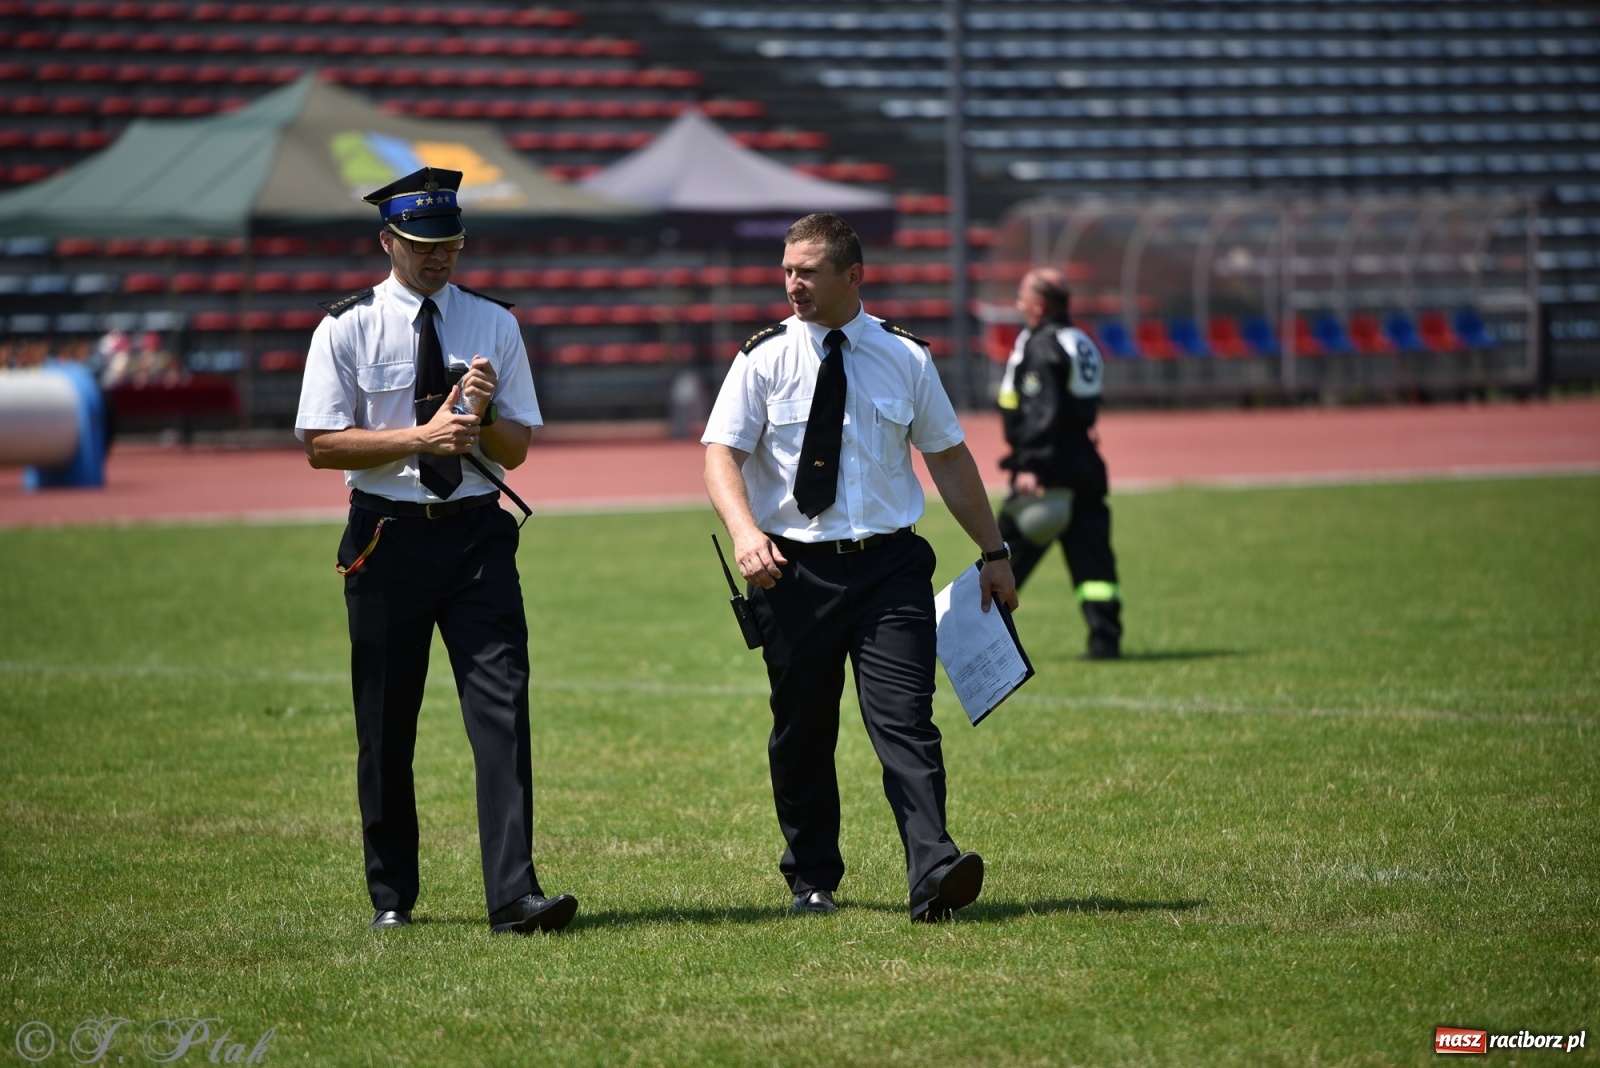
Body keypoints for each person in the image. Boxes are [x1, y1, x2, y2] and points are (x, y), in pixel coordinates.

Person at [702, 213, 1019, 923]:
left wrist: (994, 553)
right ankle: (811, 878)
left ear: (853, 276)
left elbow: (948, 458)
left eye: (808, 271)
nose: (793, 284)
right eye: (787, 270)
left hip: (889, 569)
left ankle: (933, 869)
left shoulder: (906, 356)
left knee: (906, 720)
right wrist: (745, 532)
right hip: (790, 573)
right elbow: (720, 453)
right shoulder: (761, 357)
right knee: (803, 730)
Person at [295, 166, 577, 935]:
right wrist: (420, 437)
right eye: (422, 245)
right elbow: (321, 445)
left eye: (450, 243)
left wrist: (479, 416)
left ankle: (514, 896)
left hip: (477, 534)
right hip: (386, 536)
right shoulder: (346, 326)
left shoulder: (494, 323)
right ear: (387, 242)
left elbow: (515, 450)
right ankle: (391, 896)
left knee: (502, 709)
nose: (438, 257)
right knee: (387, 722)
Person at [995, 268, 1123, 659]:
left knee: (1002, 553)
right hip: (1085, 463)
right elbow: (1077, 402)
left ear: (1038, 305)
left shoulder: (1042, 344)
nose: (1017, 303)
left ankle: (973, 636)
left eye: (1022, 296)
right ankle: (1105, 639)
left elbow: (1042, 410)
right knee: (1093, 560)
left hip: (1051, 466)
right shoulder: (1079, 339)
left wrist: (1030, 464)